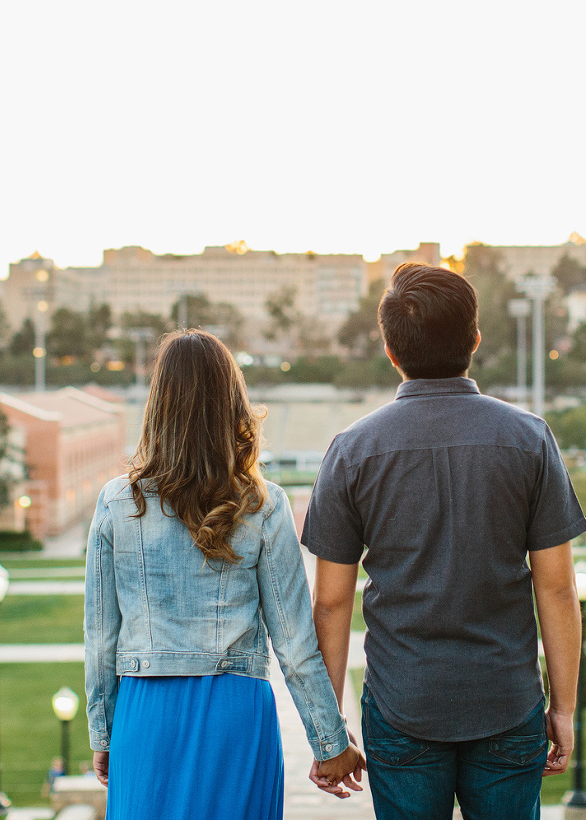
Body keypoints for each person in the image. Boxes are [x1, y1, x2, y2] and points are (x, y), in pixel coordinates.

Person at [303, 263, 586, 819]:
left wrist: (327, 731)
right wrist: (565, 708)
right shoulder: (528, 439)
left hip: (402, 704)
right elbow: (557, 590)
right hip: (507, 701)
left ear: (390, 349)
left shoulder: (351, 450)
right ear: (475, 341)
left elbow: (331, 602)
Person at [84, 330, 365, 820]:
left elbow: (100, 639)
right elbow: (295, 642)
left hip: (146, 718)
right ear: (232, 402)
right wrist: (330, 742)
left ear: (158, 405)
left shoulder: (115, 504)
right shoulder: (264, 504)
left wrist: (104, 733)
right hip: (236, 717)